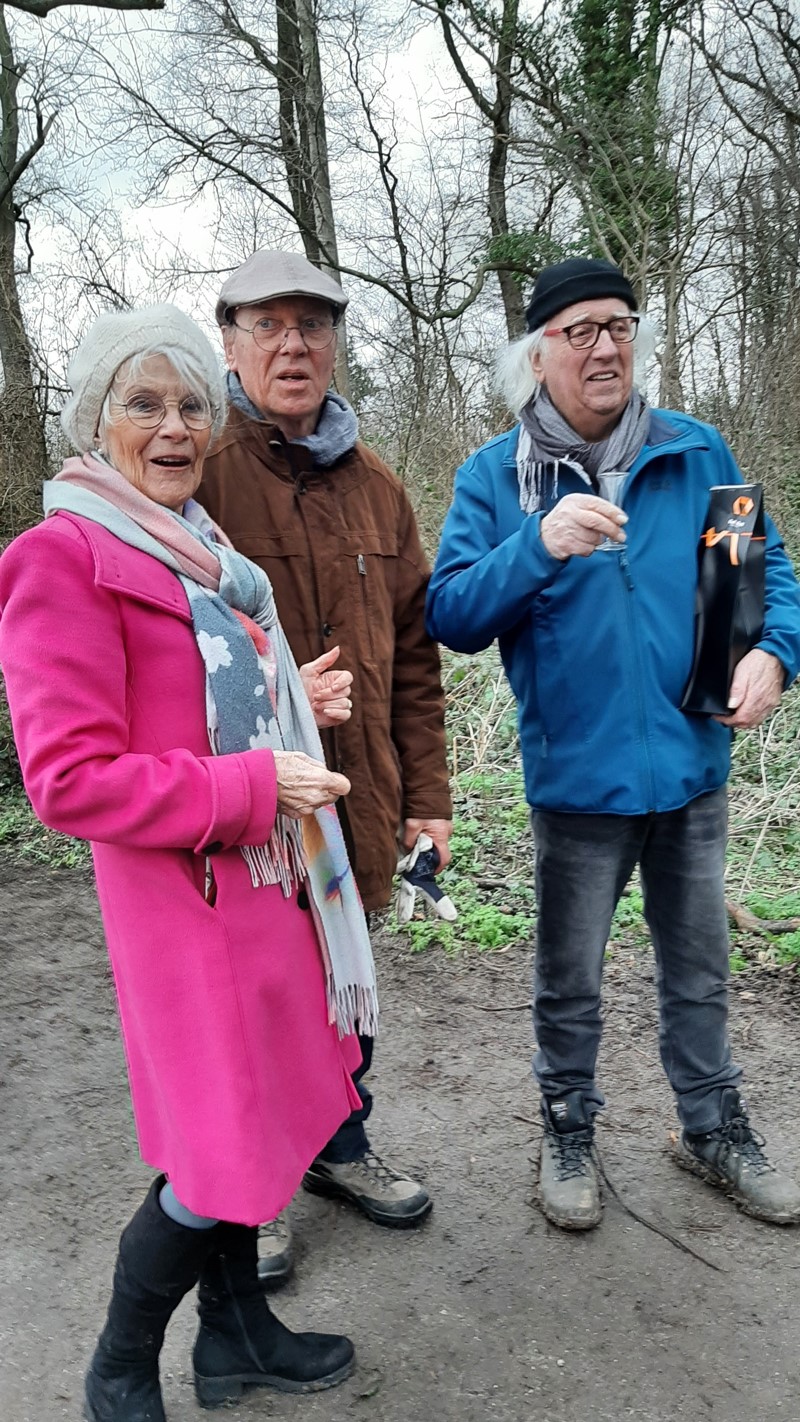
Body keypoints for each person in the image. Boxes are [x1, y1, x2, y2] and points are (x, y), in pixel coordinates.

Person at [0, 303, 380, 1421]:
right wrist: (258, 783)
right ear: (94, 419)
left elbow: (199, 706)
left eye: (190, 409)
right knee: (215, 1153)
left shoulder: (204, 550)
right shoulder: (60, 556)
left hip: (262, 894)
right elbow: (68, 779)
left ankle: (235, 1339)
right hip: (185, 906)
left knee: (255, 1131)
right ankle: (117, 1369)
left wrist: (288, 707)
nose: (172, 429)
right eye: (143, 405)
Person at [426, 256, 800, 1232]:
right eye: (579, 330)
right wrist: (537, 543)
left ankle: (710, 1128)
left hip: (689, 771)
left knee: (697, 971)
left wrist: (771, 656)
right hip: (576, 782)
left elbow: (764, 584)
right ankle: (566, 1128)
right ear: (537, 352)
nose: (603, 346)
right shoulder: (494, 477)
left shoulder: (695, 453)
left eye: (617, 326)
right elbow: (451, 613)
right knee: (567, 977)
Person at [197, 250, 452, 1280]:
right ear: (228, 342)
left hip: (356, 795)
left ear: (337, 342)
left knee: (347, 981)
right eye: (266, 325)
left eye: (312, 324)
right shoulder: (191, 467)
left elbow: (418, 662)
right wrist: (276, 701)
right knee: (252, 991)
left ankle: (339, 1148)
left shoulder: (379, 485)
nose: (292, 344)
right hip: (243, 801)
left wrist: (427, 801)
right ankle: (255, 1184)